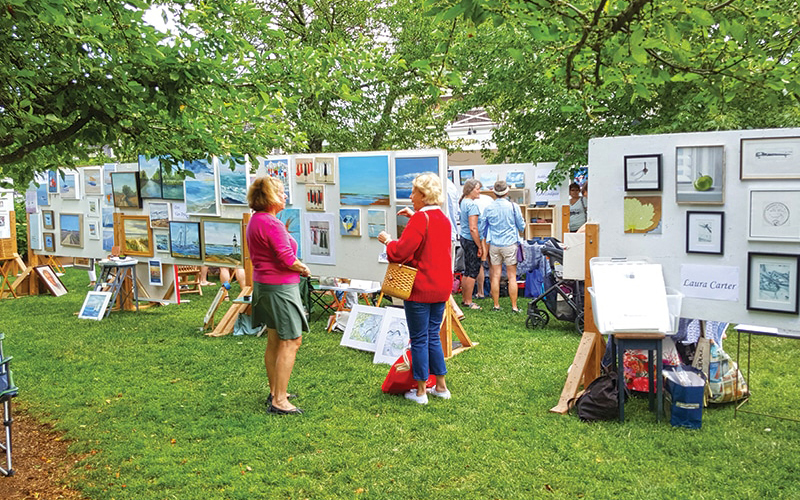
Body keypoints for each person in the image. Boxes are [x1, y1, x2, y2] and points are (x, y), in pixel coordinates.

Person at [378, 173, 452, 405]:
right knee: (432, 336)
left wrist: (388, 241)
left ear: (423, 194)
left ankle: (420, 391)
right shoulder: (442, 218)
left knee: (419, 338)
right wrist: (414, 217)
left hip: (420, 287)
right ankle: (441, 386)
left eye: (413, 193)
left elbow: (401, 251)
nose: (410, 196)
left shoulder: (421, 219)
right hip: (441, 287)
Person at [247, 176, 311, 415]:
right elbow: (286, 259)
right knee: (292, 340)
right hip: (280, 287)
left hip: (264, 285)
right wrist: (303, 267)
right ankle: (280, 400)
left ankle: (275, 391)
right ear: (271, 197)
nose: (285, 196)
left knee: (275, 339)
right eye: (282, 192)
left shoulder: (256, 220)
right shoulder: (272, 224)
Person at [478, 179, 525, 313]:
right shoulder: (513, 206)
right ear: (507, 191)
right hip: (510, 244)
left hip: (494, 245)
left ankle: (496, 305)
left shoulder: (489, 208)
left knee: (495, 275)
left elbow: (482, 228)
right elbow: (521, 226)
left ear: (494, 192)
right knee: (512, 276)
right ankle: (514, 306)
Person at [458, 178, 483, 310]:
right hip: (471, 240)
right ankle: (468, 301)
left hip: (464, 238)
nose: (479, 191)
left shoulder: (464, 202)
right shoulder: (472, 205)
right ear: (470, 190)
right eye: (477, 188)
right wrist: (479, 245)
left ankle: (465, 298)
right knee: (473, 271)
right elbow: (473, 228)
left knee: (467, 270)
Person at [473, 185, 493, 299]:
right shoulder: (489, 200)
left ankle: (480, 292)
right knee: (493, 264)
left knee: (480, 264)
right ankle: (492, 290)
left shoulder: (471, 203)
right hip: (491, 234)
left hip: (480, 235)